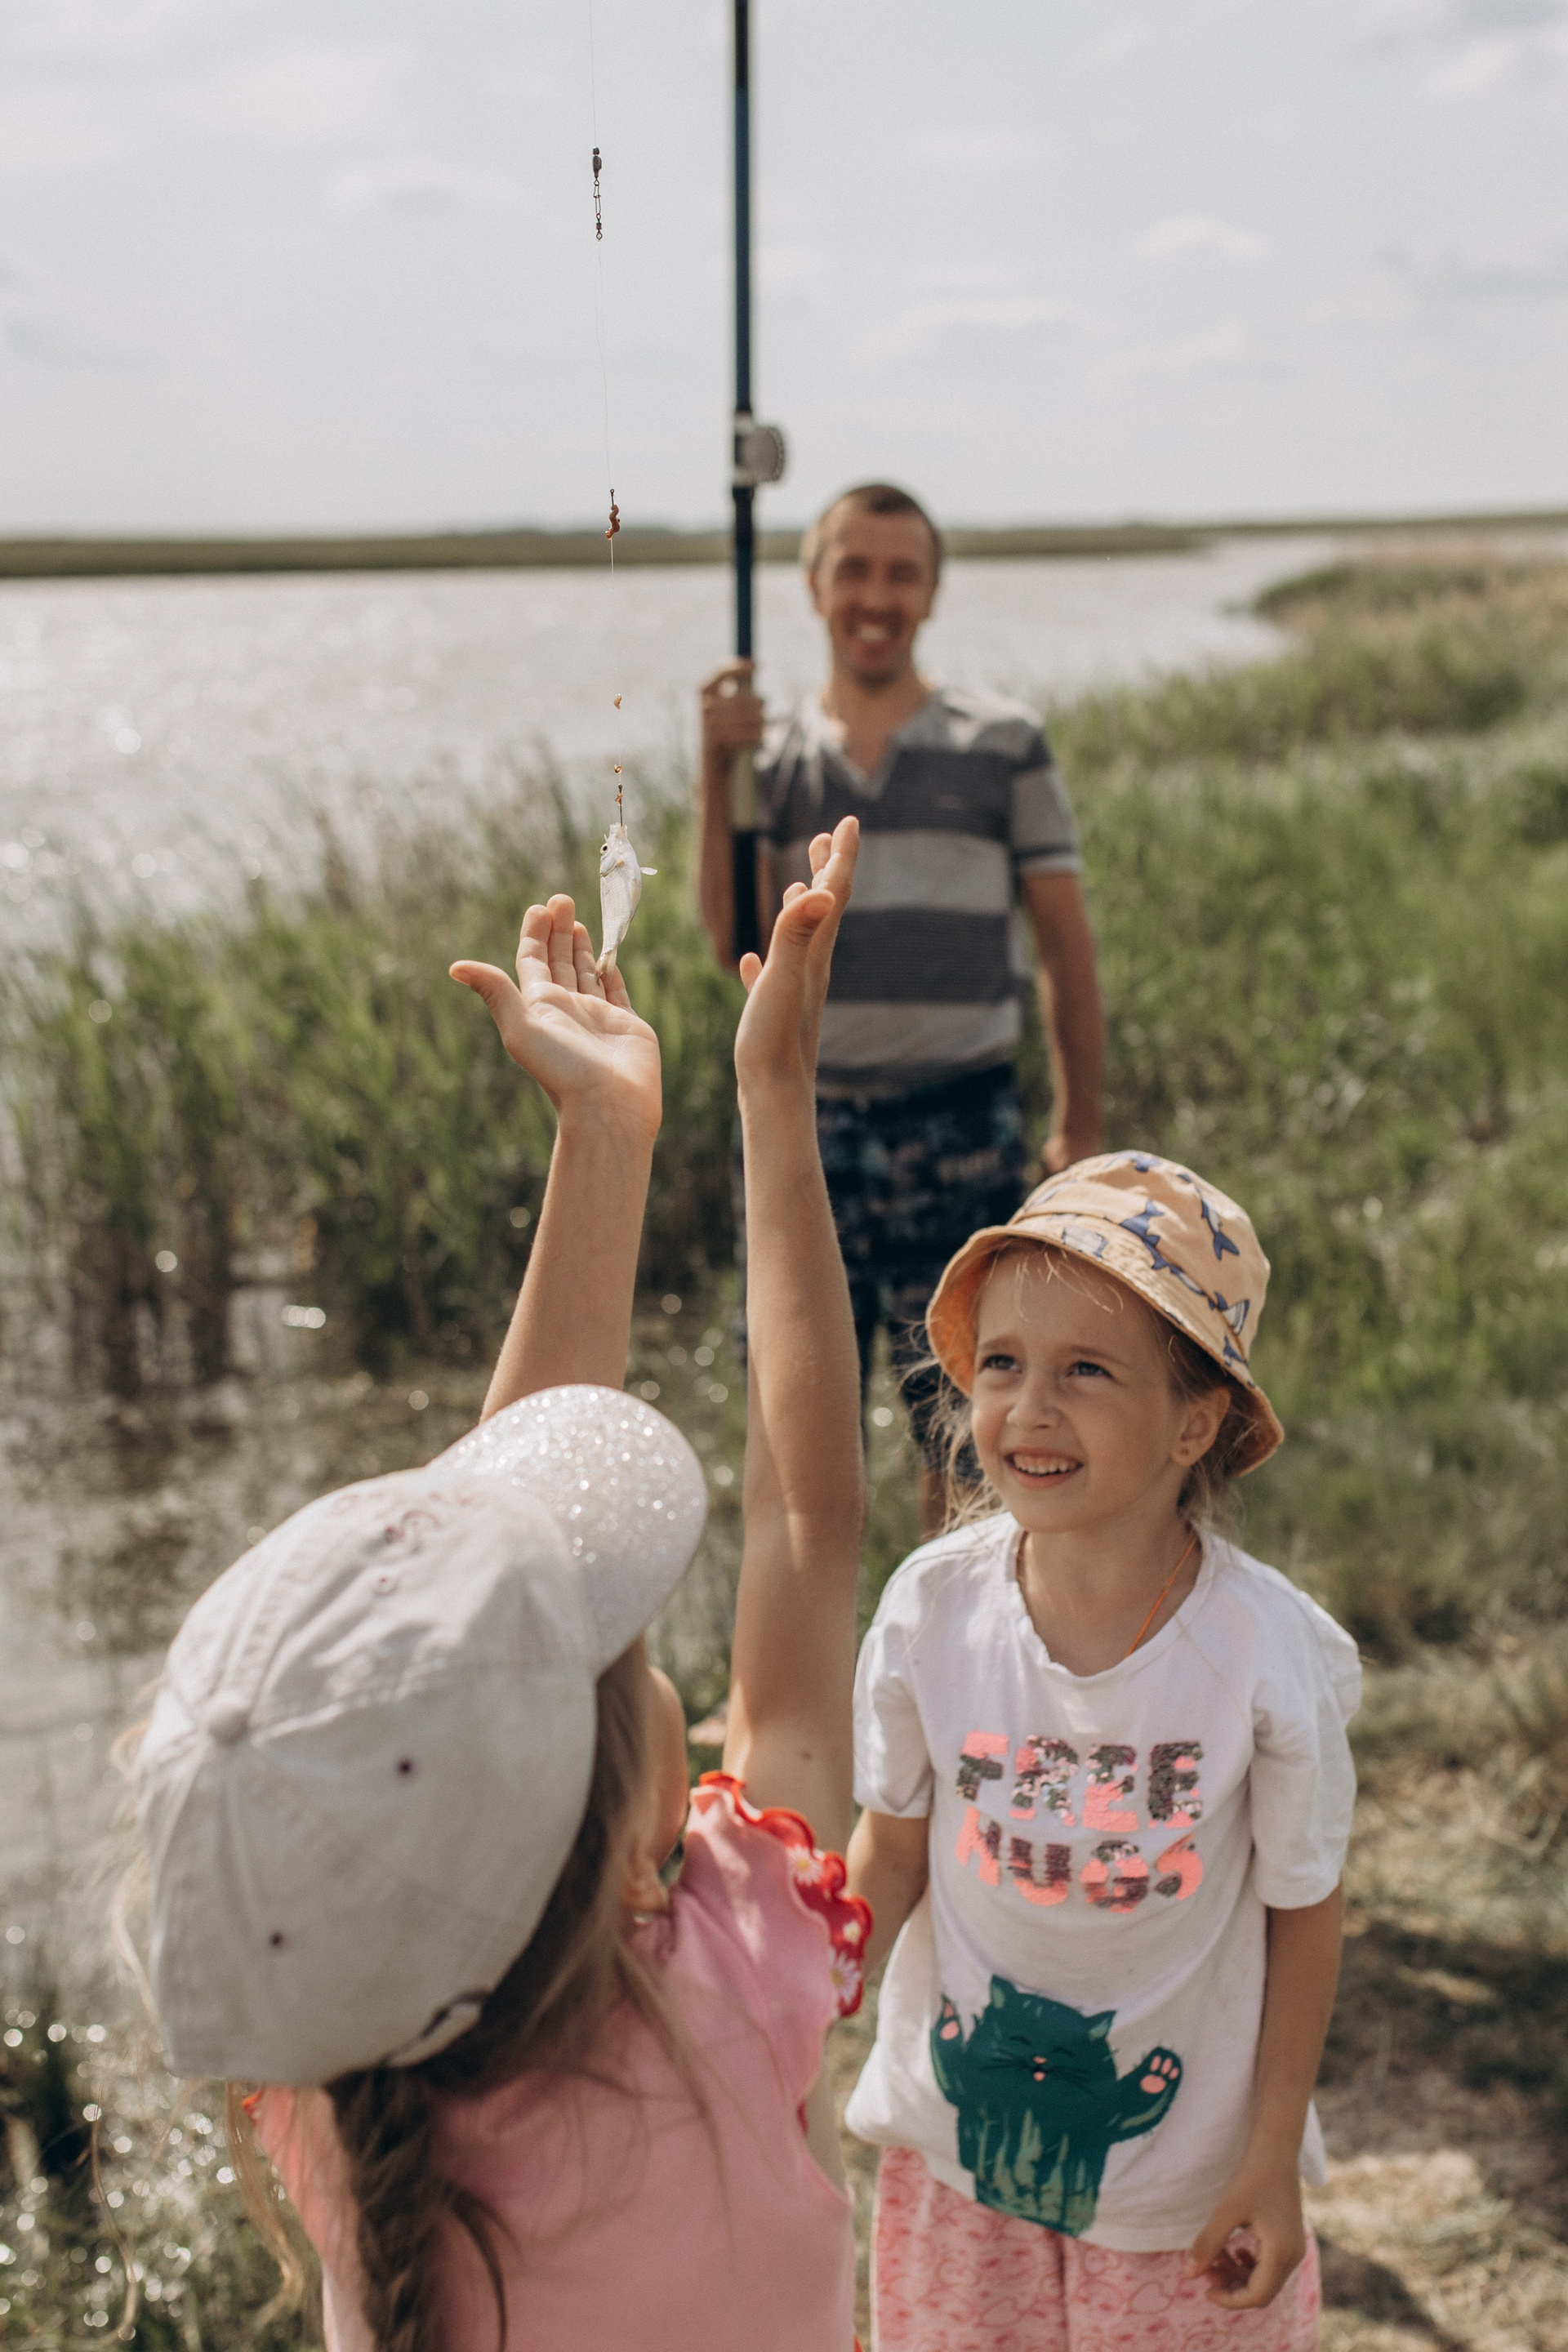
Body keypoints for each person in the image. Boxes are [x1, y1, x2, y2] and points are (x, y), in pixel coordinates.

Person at [128, 819, 872, 2351]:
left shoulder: (347, 2108)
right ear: (634, 1855)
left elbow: (475, 1577)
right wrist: (774, 1097)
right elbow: (804, 1517)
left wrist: (601, 1136)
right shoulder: (728, 1990)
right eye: (619, 1657)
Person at [843, 1152, 1360, 2352]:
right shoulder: (931, 1610)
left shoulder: (1258, 1651)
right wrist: (785, 2024)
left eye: (1086, 1370)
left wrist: (1272, 2153)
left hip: (1185, 2195)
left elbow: (1306, 1908)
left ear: (1197, 1422)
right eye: (1003, 1363)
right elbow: (893, 1854)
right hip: (961, 2166)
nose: (1030, 1407)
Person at [696, 482, 1103, 1529]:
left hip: (963, 1119)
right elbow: (734, 943)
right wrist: (715, 767)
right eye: (855, 571)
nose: (876, 598)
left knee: (970, 1435)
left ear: (931, 592)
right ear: (813, 585)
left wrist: (1079, 1125)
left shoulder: (1004, 742)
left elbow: (1064, 945)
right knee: (793, 1433)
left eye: (901, 574)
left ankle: (953, 1626)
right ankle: (815, 1639)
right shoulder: (770, 762)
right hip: (804, 1125)